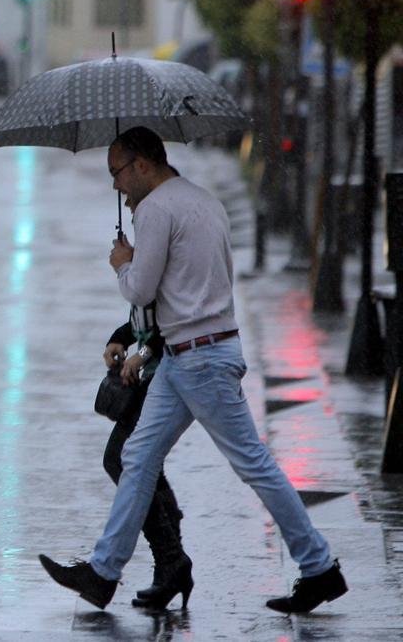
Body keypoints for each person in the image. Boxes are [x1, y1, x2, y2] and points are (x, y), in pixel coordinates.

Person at [39, 126, 346, 613]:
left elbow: (140, 289)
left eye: (116, 172)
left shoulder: (158, 208)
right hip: (189, 356)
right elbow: (185, 281)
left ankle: (320, 567)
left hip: (199, 358)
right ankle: (102, 573)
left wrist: (123, 262)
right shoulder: (200, 199)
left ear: (142, 164)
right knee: (138, 459)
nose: (115, 185)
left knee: (254, 466)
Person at [101, 305, 190, 609]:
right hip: (161, 370)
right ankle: (171, 566)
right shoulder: (141, 260)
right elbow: (149, 317)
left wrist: (144, 353)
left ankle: (171, 559)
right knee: (144, 463)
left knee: (121, 458)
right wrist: (122, 336)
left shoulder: (151, 257)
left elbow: (172, 314)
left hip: (169, 369)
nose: (113, 254)